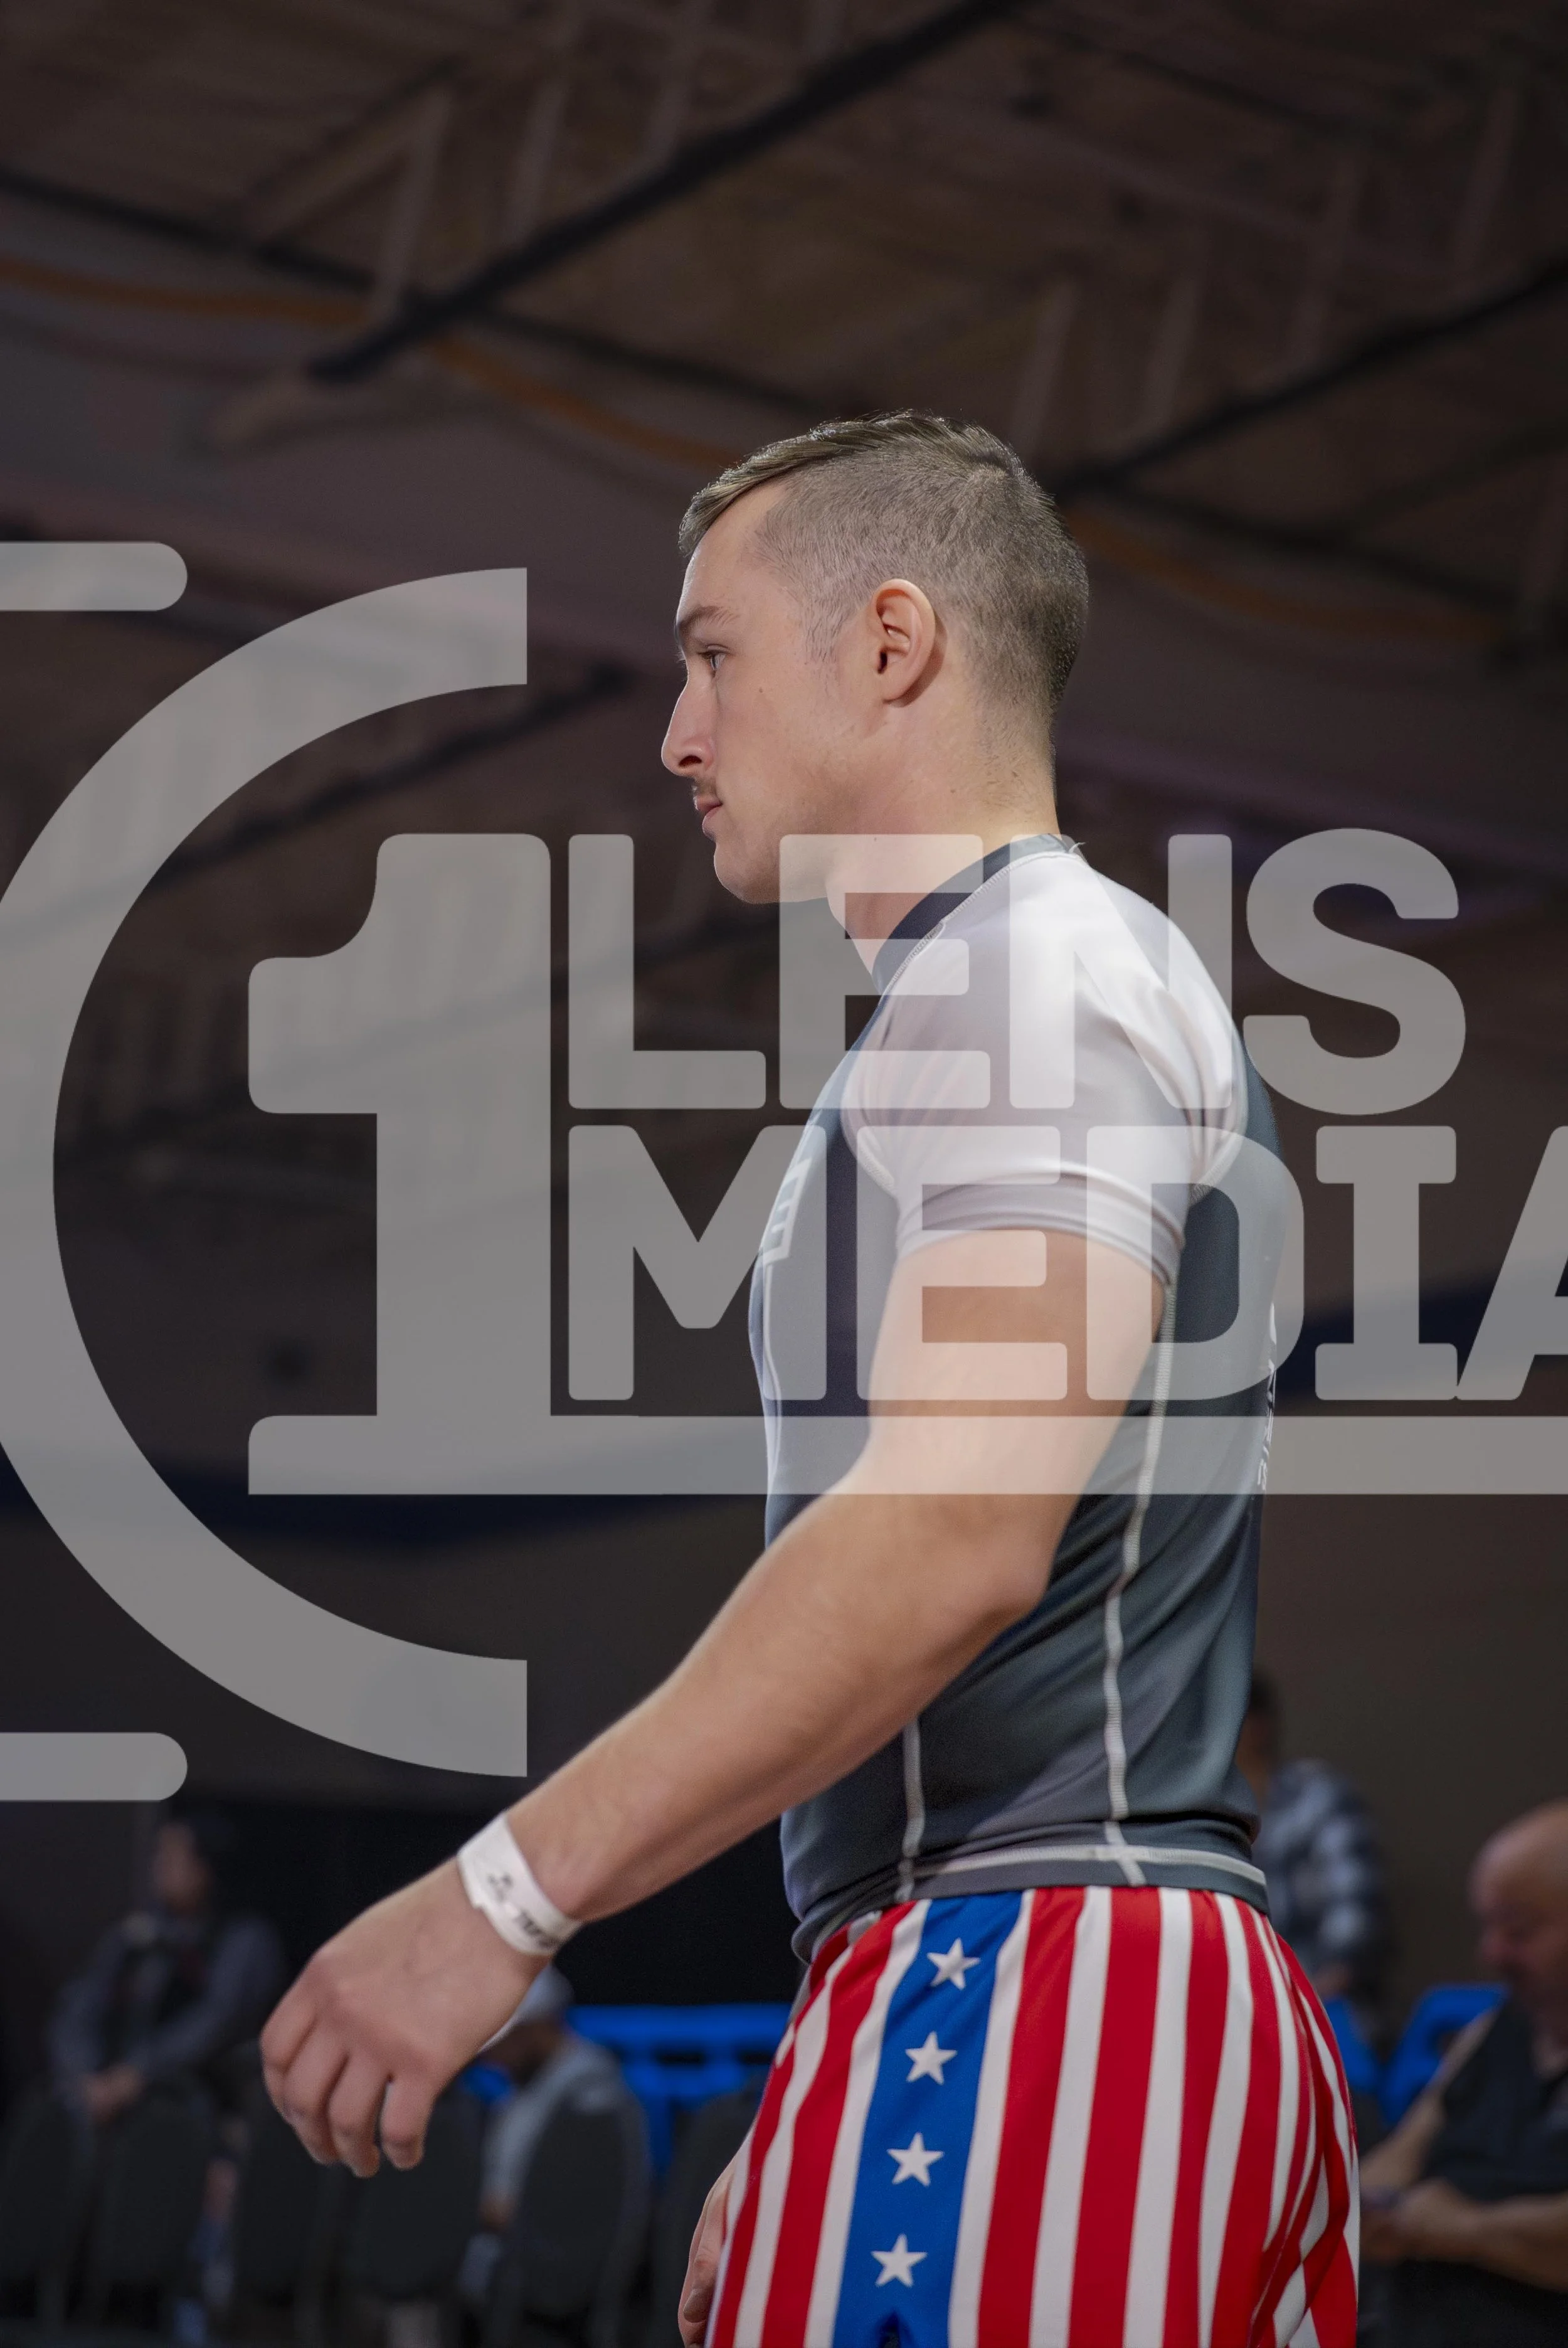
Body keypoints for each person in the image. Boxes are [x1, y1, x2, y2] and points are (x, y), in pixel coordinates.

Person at [260, 412, 1356, 2348]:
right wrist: (837, 2053)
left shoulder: (1028, 971)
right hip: (1021, 1975)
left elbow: (947, 1535)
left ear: (889, 641)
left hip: (1048, 1972)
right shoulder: (1001, 987)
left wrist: (498, 1897)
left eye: (711, 653)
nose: (677, 733)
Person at [1361, 1799, 1568, 2344]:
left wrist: (1462, 2230)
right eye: (1488, 1926)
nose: (1492, 1953)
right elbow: (1401, 2157)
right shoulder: (1495, 2029)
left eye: (1519, 1930)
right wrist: (1365, 2209)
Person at [50, 1809, 283, 2123]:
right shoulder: (133, 1936)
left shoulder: (244, 1939)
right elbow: (80, 2005)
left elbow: (217, 2020)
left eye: (174, 1858)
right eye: (159, 1856)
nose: (160, 1867)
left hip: (196, 2103)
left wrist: (138, 2072)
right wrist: (86, 2074)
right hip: (103, 2096)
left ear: (206, 1868)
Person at [458, 1965, 637, 2304]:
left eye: (501, 2038)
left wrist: (467, 2206)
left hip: (551, 2284)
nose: (489, 2056)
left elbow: (570, 2209)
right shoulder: (522, 2089)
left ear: (537, 2027)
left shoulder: (590, 2097)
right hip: (503, 2270)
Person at [1238, 1673, 1388, 2014]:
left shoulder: (1318, 1798)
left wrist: (1301, 2008)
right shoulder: (1197, 1819)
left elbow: (1357, 1922)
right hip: (1245, 2015)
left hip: (1326, 2014)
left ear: (1257, 1726)